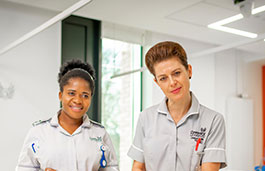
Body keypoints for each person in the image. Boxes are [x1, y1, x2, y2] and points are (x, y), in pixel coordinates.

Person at [127, 41, 227, 171]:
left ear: (189, 71)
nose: (172, 82)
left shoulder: (213, 121)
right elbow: (138, 167)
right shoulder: (146, 117)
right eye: (163, 78)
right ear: (157, 82)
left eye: (176, 73)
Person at [16, 59, 119, 171]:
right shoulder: (38, 132)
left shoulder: (100, 134)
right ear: (61, 95)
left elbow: (112, 168)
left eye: (85, 95)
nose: (78, 100)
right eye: (71, 93)